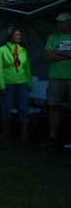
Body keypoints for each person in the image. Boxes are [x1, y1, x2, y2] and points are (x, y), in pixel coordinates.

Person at [0, 27, 32, 141]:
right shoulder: (1, 50)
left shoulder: (23, 50)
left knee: (23, 108)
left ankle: (24, 134)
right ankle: (5, 132)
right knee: (6, 109)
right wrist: (1, 85)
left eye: (20, 34)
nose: (20, 36)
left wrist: (29, 83)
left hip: (22, 84)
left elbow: (27, 68)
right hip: (7, 84)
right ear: (10, 36)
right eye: (17, 34)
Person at [43, 13, 71, 146]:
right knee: (54, 106)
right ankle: (52, 137)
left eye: (62, 22)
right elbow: (48, 57)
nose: (59, 24)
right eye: (58, 22)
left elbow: (52, 55)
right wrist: (68, 54)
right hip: (55, 76)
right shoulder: (52, 37)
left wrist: (58, 52)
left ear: (70, 22)